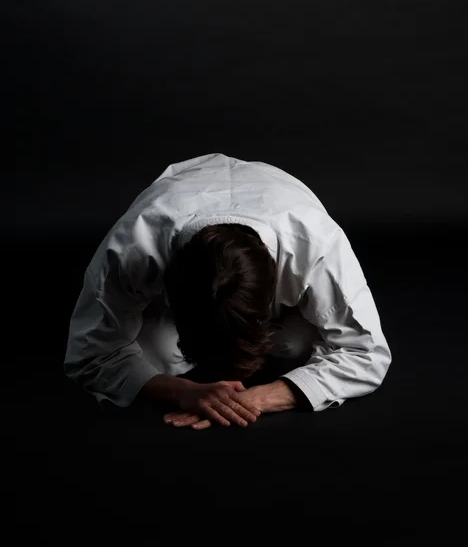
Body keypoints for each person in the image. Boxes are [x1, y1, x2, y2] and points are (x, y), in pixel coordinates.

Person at [64, 152, 391, 430]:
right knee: (160, 355)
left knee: (294, 346)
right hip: (178, 259)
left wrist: (263, 397)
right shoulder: (132, 248)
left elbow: (367, 352)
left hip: (281, 238)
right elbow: (89, 354)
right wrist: (180, 390)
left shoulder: (317, 244)